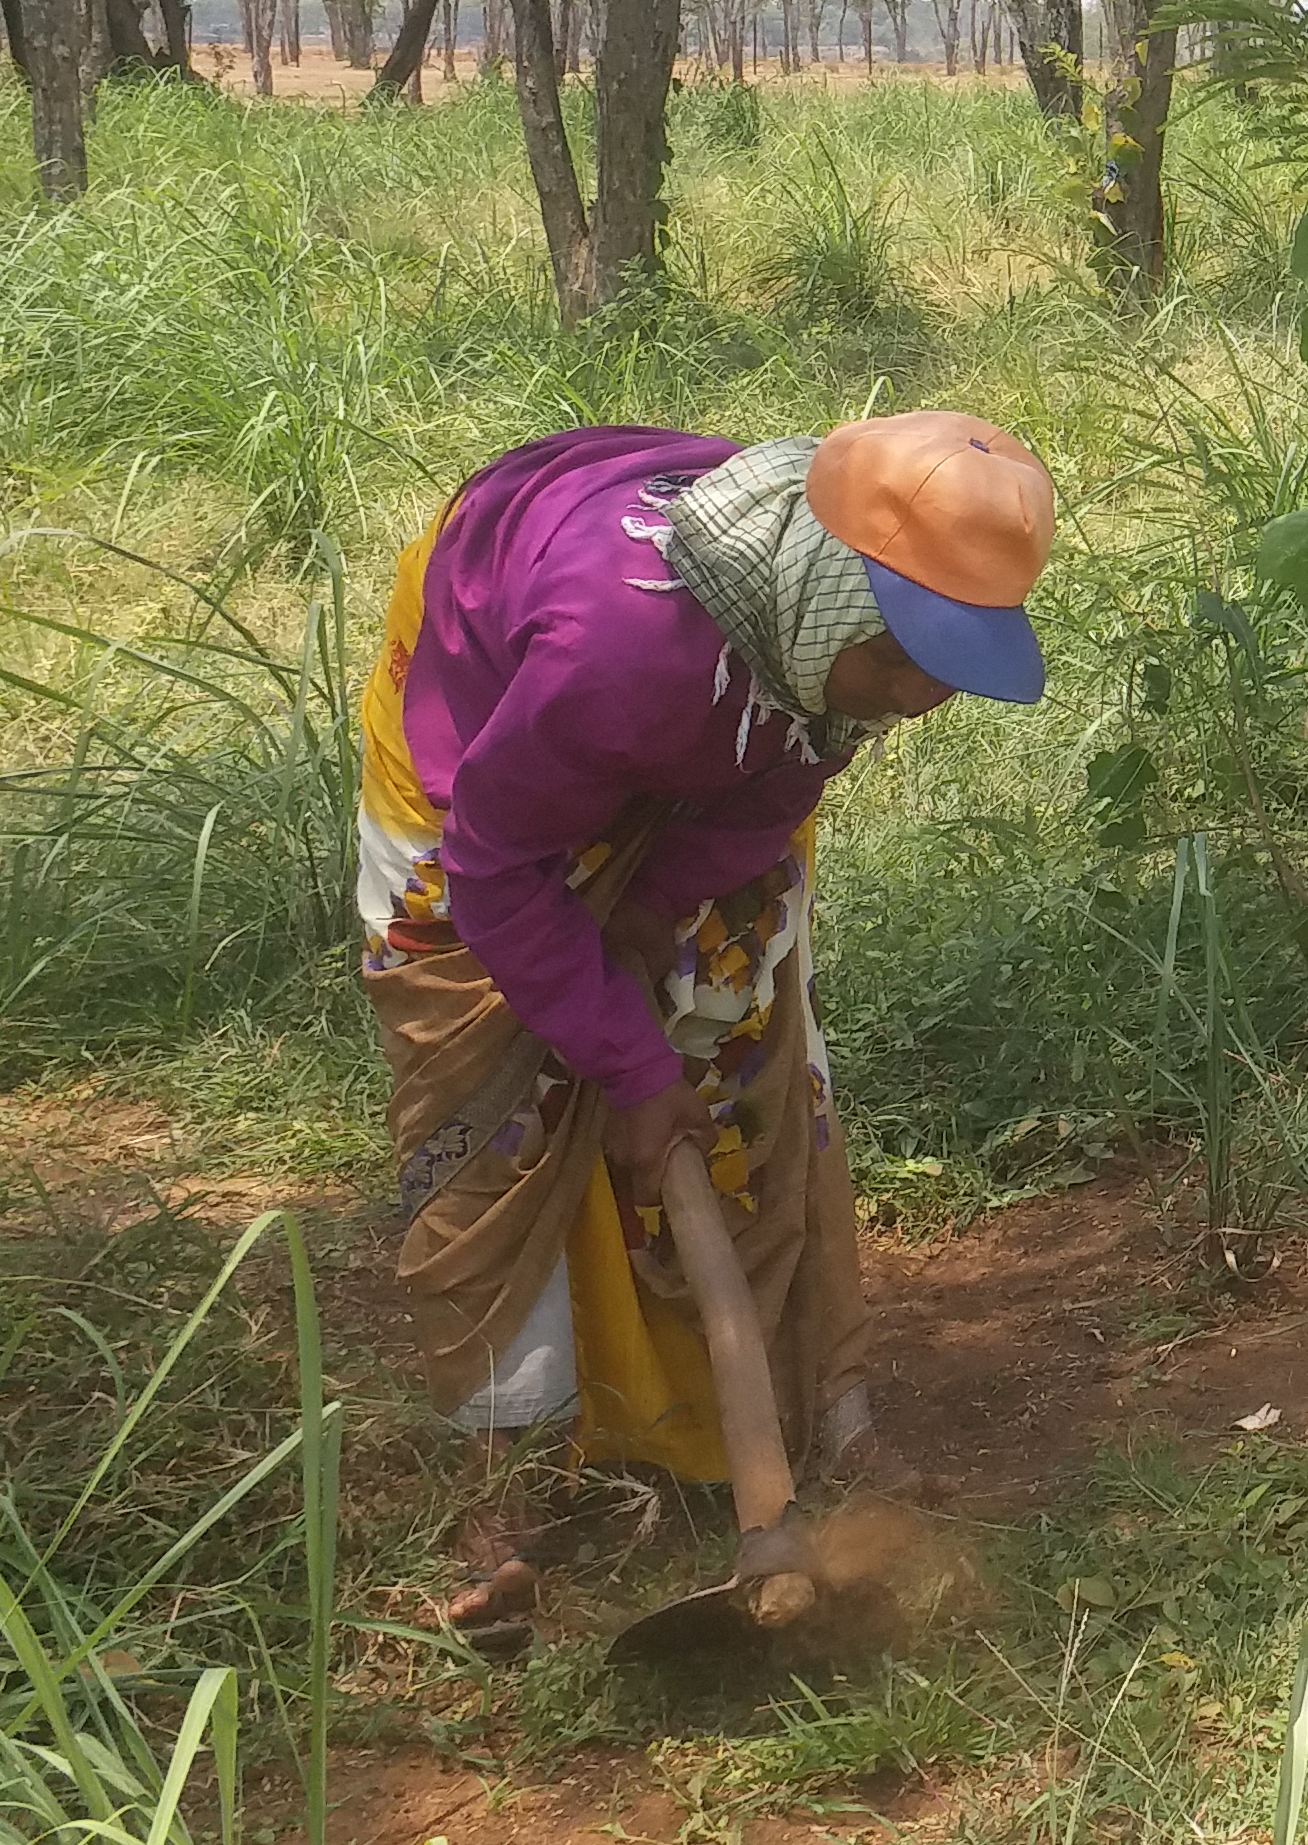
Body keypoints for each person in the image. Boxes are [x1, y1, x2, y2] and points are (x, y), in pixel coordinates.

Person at [355, 411, 1057, 1654]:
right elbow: (496, 872)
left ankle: (812, 1410)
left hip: (697, 719)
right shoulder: (616, 651)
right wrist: (624, 1067)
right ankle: (503, 1487)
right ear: (824, 602)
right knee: (496, 1102)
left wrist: (641, 937)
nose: (924, 697)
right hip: (487, 743)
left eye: (952, 662)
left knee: (732, 1017)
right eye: (905, 659)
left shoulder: (821, 662)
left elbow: (777, 785)